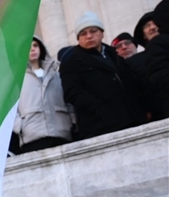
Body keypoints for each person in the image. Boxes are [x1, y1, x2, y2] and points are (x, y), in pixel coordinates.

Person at [60, 11, 147, 139]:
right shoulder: (71, 62)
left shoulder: (115, 55)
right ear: (78, 39)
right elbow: (73, 93)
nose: (89, 36)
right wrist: (100, 110)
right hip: (100, 127)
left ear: (102, 33)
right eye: (83, 33)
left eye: (93, 31)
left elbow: (132, 84)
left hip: (132, 120)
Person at [14, 36, 74, 152]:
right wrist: (19, 127)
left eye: (35, 45)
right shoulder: (17, 80)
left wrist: (72, 121)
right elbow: (10, 108)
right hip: (32, 135)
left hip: (61, 132)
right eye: (28, 47)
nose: (32, 49)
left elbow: (67, 99)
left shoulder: (56, 74)